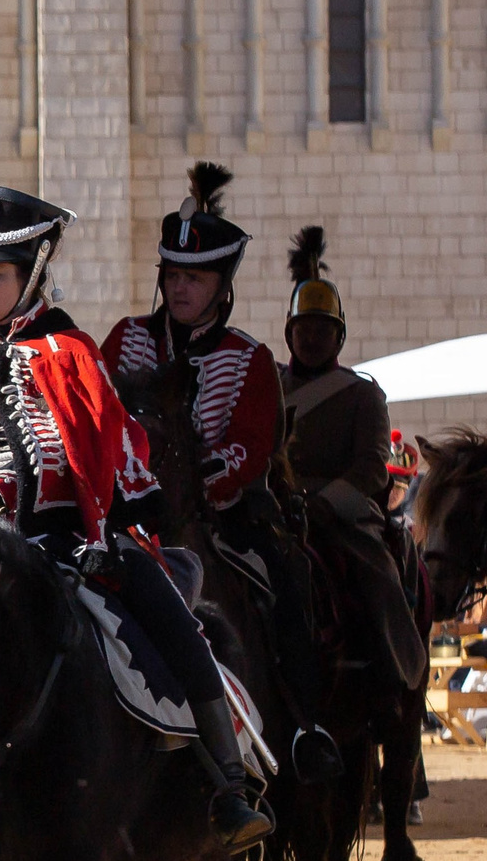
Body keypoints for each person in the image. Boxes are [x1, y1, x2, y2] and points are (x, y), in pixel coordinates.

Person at [0, 179, 274, 861]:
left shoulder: (72, 353)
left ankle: (227, 781)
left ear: (31, 274)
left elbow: (116, 454)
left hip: (67, 548)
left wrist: (112, 530)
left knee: (170, 620)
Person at [101, 163, 340, 782]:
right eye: (174, 275)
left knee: (288, 576)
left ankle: (306, 728)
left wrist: (196, 487)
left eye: (196, 277)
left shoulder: (249, 359)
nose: (181, 289)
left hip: (226, 518)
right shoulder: (125, 340)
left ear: (221, 284)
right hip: (126, 519)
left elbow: (251, 446)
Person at [278, 228, 428, 691]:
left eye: (323, 330)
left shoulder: (363, 395)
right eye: (304, 329)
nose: (312, 339)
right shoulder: (268, 387)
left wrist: (321, 503)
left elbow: (370, 467)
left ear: (338, 336)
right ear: (290, 333)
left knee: (376, 573)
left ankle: (395, 682)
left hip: (338, 514)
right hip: (276, 506)